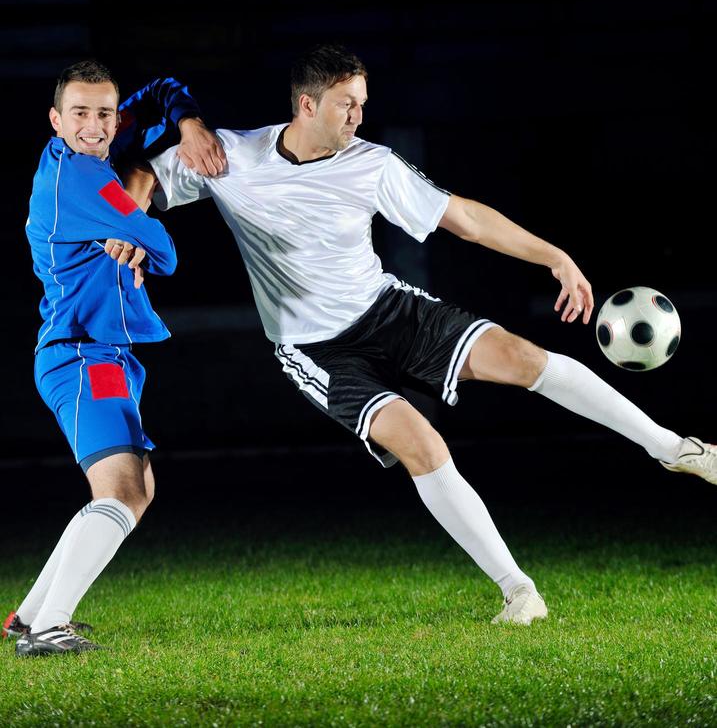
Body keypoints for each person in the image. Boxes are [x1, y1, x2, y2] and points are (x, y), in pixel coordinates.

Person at [137, 43, 716, 625]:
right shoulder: (230, 157)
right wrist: (131, 227)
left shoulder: (372, 163)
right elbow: (137, 182)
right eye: (347, 105)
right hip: (317, 348)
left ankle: (674, 448)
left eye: (362, 104)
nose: (359, 117)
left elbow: (464, 218)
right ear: (307, 105)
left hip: (388, 310)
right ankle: (520, 592)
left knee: (523, 357)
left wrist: (554, 257)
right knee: (424, 447)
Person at [4, 60, 225, 657]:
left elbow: (161, 90)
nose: (96, 125)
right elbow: (167, 251)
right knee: (121, 490)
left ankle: (28, 617)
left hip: (101, 353)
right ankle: (50, 629)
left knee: (137, 486)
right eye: (80, 114)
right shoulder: (80, 177)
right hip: (82, 355)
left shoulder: (95, 144)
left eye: (105, 113)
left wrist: (186, 122)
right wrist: (135, 203)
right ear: (55, 120)